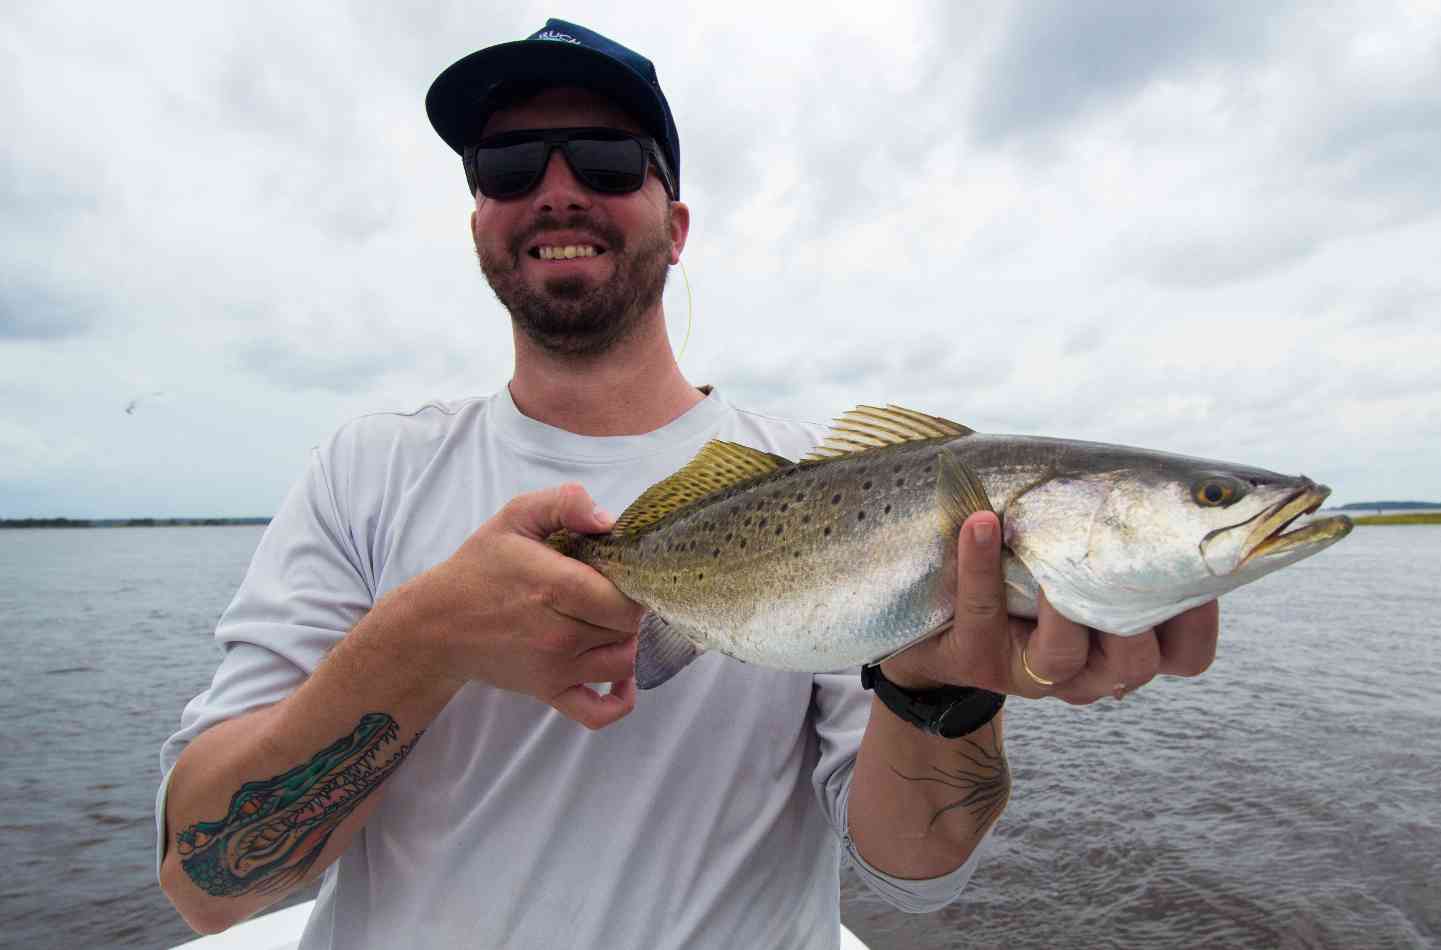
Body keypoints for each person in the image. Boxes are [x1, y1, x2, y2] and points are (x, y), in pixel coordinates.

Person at [156, 19, 1219, 949]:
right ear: (479, 214)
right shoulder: (366, 471)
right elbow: (205, 882)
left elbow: (913, 871)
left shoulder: (830, 480)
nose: (559, 187)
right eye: (510, 162)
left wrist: (940, 693)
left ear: (677, 222)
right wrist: (424, 640)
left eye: (611, 159)